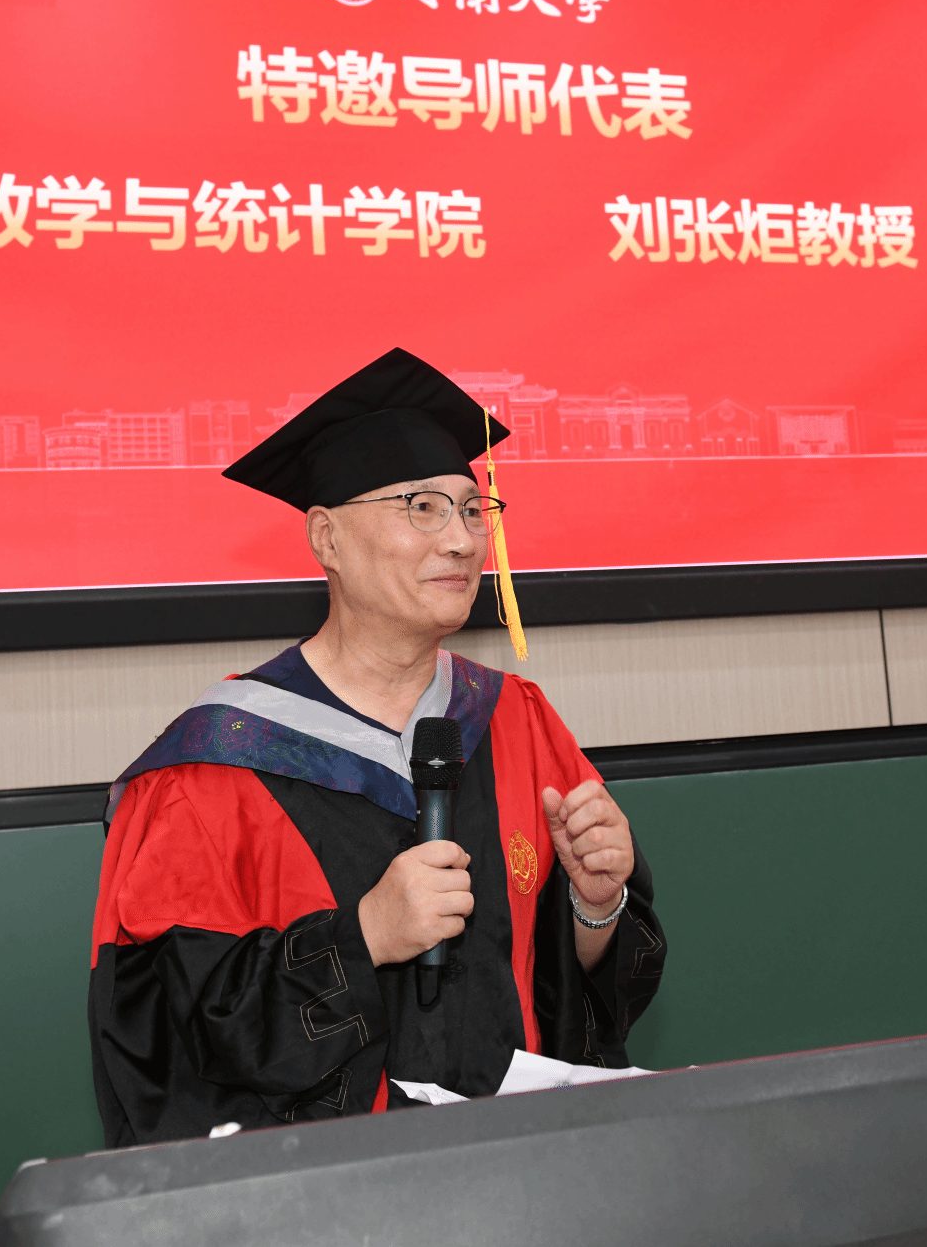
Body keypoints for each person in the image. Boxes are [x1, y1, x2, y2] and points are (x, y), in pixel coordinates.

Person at [88, 348, 667, 1146]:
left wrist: (595, 906)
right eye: (422, 507)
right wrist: (360, 940)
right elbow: (168, 1038)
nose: (461, 540)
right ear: (326, 537)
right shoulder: (210, 771)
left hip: (517, 1165)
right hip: (327, 1189)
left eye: (474, 510)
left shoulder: (517, 720)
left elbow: (577, 995)